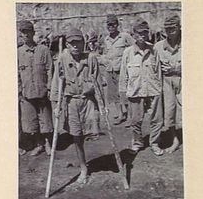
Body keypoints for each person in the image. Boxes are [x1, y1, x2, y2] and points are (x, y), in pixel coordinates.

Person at [50, 27, 101, 184]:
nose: (75, 46)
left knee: (92, 133)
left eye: (78, 42)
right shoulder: (62, 60)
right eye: (72, 43)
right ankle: (83, 168)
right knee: (77, 136)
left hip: (88, 101)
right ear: (67, 44)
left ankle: (92, 162)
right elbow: (56, 85)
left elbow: (98, 82)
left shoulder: (91, 58)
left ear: (83, 43)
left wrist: (103, 104)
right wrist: (56, 106)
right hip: (71, 102)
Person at [119, 17, 164, 156]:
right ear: (133, 35)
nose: (142, 36)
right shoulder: (128, 52)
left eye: (145, 33)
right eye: (139, 33)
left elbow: (158, 71)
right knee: (135, 120)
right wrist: (122, 94)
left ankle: (154, 143)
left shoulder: (153, 50)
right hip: (135, 91)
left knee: (157, 119)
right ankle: (138, 142)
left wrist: (160, 90)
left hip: (153, 89)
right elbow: (123, 75)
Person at [18, 20, 54, 156]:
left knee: (45, 119)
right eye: (23, 32)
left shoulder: (43, 50)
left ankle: (48, 143)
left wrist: (50, 88)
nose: (25, 35)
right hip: (27, 93)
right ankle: (39, 144)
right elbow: (17, 74)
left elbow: (50, 70)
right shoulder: (19, 52)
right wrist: (20, 91)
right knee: (32, 121)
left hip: (42, 91)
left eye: (28, 32)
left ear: (33, 33)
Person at [153, 12, 182, 153]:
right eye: (167, 29)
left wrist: (176, 68)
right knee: (169, 112)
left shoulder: (188, 43)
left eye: (173, 28)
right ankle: (175, 140)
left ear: (179, 27)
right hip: (166, 82)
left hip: (184, 80)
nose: (170, 32)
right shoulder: (158, 47)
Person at [103, 14, 134, 125]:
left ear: (117, 25)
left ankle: (130, 116)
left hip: (122, 71)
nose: (111, 27)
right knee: (113, 94)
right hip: (110, 70)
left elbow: (134, 48)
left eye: (113, 24)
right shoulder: (106, 39)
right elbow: (105, 54)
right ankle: (121, 114)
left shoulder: (124, 37)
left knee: (125, 93)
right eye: (109, 25)